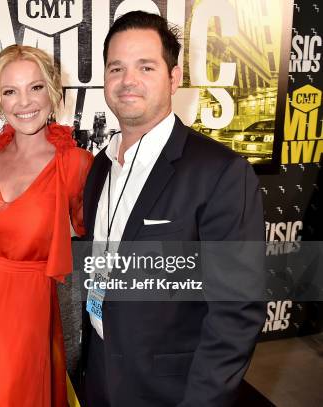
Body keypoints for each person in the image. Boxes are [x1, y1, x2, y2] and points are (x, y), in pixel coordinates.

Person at [81, 11, 266, 407]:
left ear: (175, 77)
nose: (128, 81)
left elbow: (236, 313)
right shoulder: (99, 166)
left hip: (169, 391)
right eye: (117, 68)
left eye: (146, 66)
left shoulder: (220, 173)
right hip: (98, 376)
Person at [0, 44, 93, 406]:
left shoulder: (75, 165)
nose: (24, 102)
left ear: (52, 90)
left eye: (36, 87)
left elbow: (90, 236)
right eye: (10, 91)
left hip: (26, 319)